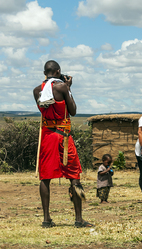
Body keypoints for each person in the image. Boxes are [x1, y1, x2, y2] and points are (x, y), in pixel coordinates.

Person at [33, 60, 92, 228]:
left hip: (47, 137)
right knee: (74, 176)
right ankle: (79, 219)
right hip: (63, 136)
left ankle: (46, 219)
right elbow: (73, 111)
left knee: (45, 177)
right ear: (58, 71)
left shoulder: (37, 90)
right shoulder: (62, 87)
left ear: (45, 73)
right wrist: (69, 87)